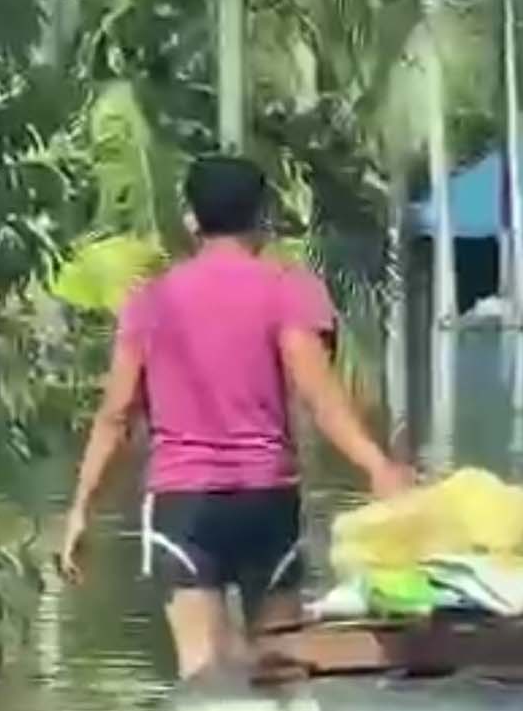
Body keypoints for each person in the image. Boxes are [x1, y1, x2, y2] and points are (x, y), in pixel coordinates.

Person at [60, 153, 411, 678]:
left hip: (184, 506)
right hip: (266, 500)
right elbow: (320, 397)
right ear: (263, 217)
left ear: (191, 220)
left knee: (201, 671)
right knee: (282, 668)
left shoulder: (151, 301)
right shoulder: (287, 290)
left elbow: (116, 416)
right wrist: (377, 467)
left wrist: (82, 509)